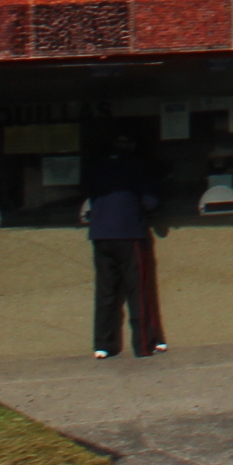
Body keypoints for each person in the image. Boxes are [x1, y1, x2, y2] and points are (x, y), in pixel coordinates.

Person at [82, 141, 164, 359]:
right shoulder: (136, 165)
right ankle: (144, 344)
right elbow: (150, 201)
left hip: (100, 233)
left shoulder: (96, 166)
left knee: (106, 291)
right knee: (138, 291)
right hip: (129, 232)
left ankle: (102, 345)